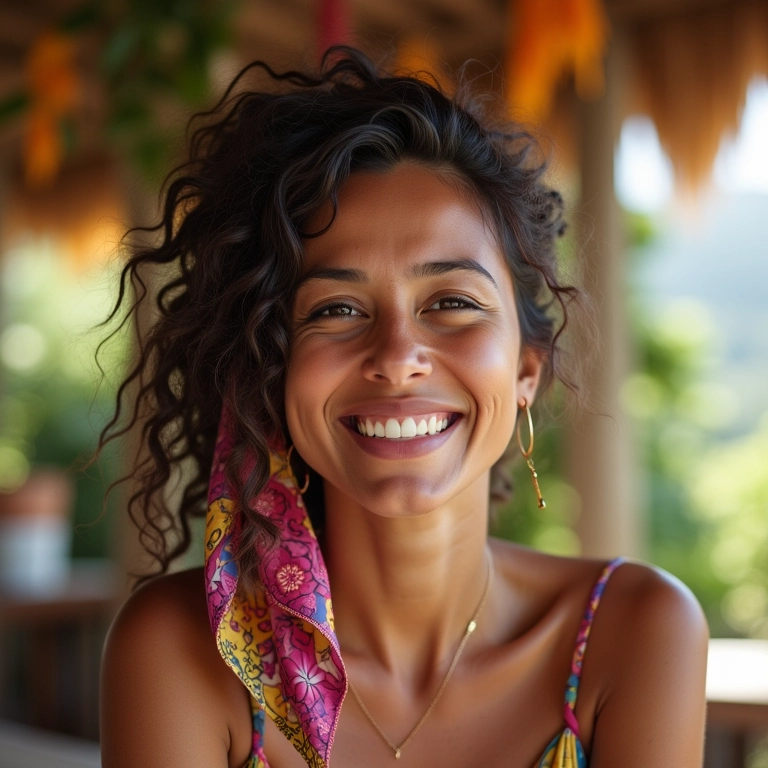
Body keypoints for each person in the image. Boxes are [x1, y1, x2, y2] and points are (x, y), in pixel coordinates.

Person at [99, 48, 709, 768]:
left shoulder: (632, 632)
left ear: (525, 370)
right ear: (273, 371)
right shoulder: (183, 650)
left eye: (450, 302)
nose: (396, 354)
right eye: (336, 308)